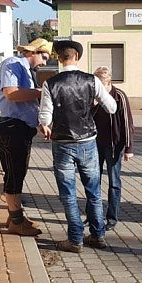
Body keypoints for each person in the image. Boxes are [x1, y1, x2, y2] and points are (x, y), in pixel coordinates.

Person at [38, 40, 117, 253]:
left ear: (59, 58)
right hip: (88, 142)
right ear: (77, 57)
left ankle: (75, 240)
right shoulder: (91, 81)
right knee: (93, 191)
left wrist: (44, 125)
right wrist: (94, 101)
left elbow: (45, 116)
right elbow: (112, 107)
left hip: (62, 143)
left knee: (68, 194)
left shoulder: (50, 83)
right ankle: (98, 235)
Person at [0, 38, 51, 236]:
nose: (44, 62)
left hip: (19, 126)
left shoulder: (25, 69)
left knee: (18, 171)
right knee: (14, 172)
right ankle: (16, 220)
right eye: (44, 57)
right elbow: (12, 94)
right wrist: (41, 92)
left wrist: (39, 122)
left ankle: (15, 215)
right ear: (32, 52)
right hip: (10, 125)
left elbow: (26, 103)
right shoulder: (13, 64)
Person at [93, 66, 134, 230]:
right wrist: (93, 104)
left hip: (113, 145)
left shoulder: (119, 96)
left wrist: (129, 148)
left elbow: (127, 123)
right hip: (94, 143)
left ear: (109, 81)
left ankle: (112, 218)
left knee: (114, 182)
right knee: (93, 181)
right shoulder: (93, 95)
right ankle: (94, 216)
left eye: (101, 83)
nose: (98, 87)